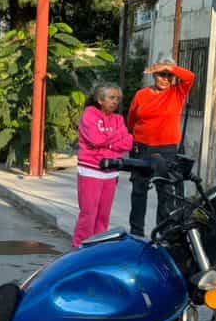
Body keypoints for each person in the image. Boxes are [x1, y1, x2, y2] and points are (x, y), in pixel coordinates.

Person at [125, 61, 196, 236]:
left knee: (165, 192)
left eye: (168, 75)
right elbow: (131, 120)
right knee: (139, 190)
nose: (165, 79)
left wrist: (169, 67)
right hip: (142, 148)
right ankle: (136, 232)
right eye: (161, 75)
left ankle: (163, 233)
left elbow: (190, 77)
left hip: (167, 150)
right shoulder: (141, 95)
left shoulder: (177, 92)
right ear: (154, 75)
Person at [72, 82, 134, 248]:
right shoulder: (89, 114)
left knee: (103, 214)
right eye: (111, 97)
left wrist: (108, 142)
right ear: (100, 99)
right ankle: (80, 245)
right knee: (89, 213)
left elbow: (128, 142)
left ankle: (99, 245)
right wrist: (115, 138)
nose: (115, 101)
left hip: (111, 171)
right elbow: (95, 139)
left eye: (118, 99)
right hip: (91, 170)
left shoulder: (119, 118)